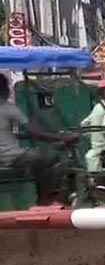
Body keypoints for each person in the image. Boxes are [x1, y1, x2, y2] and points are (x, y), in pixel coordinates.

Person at [0, 74, 74, 203]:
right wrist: (60, 137)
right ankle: (44, 200)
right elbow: (35, 132)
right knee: (49, 158)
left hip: (6, 155)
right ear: (4, 89)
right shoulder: (7, 108)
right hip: (10, 157)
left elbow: (6, 133)